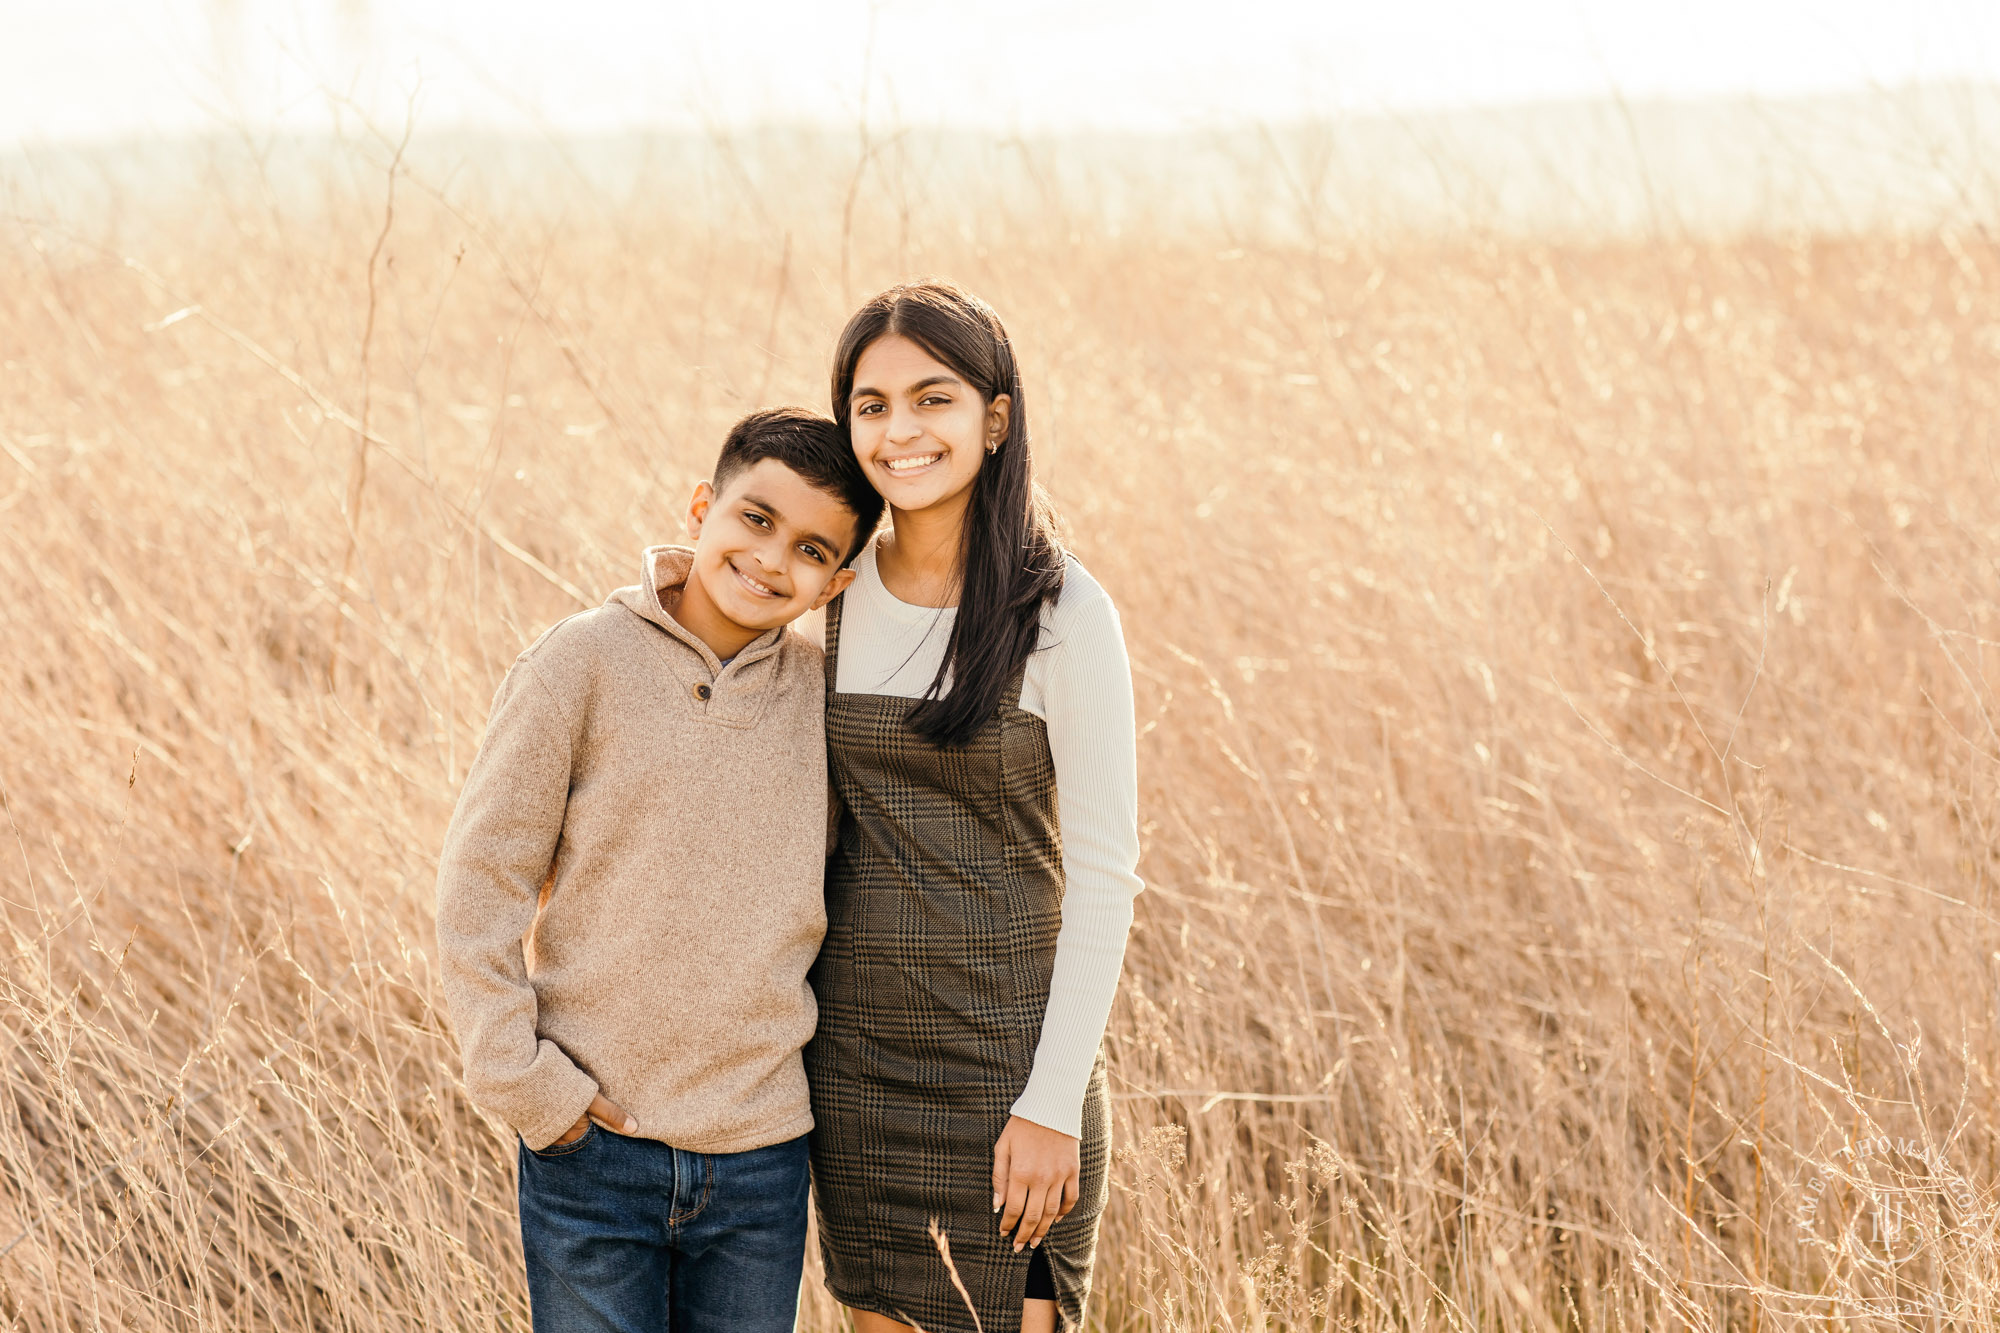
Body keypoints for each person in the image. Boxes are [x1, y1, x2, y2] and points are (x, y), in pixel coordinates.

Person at [434, 407, 882, 1333]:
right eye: (754, 520)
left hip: (758, 1155)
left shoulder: (825, 704)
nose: (769, 559)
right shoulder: (580, 663)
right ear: (700, 507)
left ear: (836, 580)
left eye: (808, 549)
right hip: (592, 1146)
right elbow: (481, 885)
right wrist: (525, 1085)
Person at [807, 282, 1144, 1333]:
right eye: (870, 405)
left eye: (932, 399)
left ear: (993, 419)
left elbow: (1102, 879)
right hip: (856, 1073)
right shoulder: (826, 594)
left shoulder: (1061, 613)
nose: (899, 431)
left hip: (1012, 1074)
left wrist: (1050, 1105)